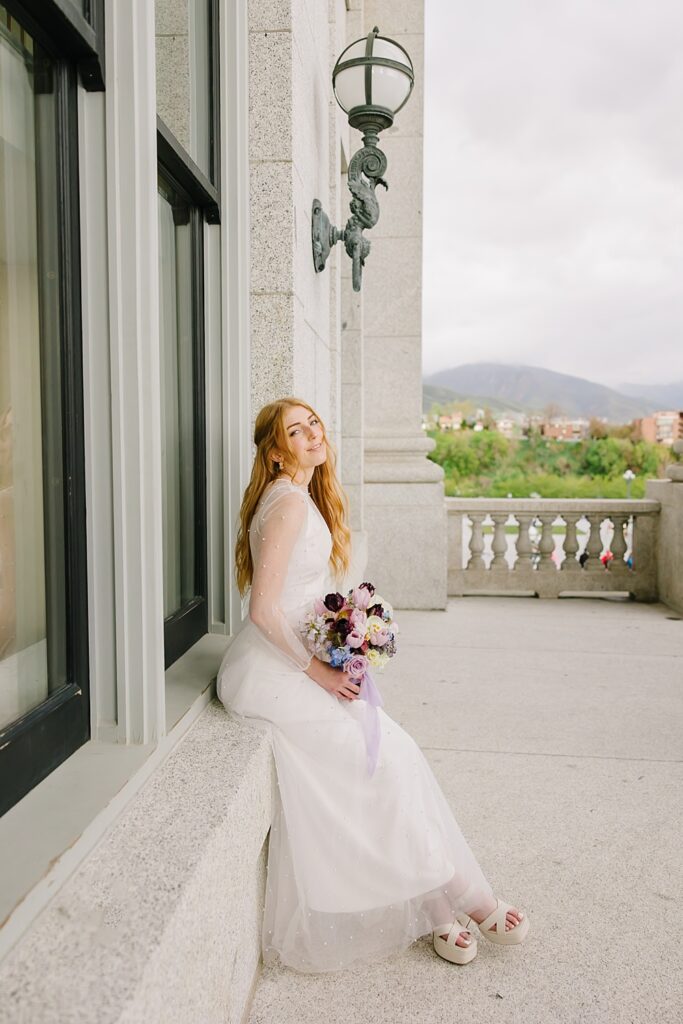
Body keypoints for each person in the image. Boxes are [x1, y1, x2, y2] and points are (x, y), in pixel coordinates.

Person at [216, 397, 530, 973]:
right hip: (270, 673)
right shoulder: (286, 505)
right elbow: (263, 611)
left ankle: (437, 907)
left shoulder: (301, 497)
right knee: (380, 761)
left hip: (294, 661)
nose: (312, 433)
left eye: (313, 422)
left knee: (395, 757)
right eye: (295, 430)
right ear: (276, 451)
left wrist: (349, 635)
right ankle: (468, 899)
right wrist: (323, 671)